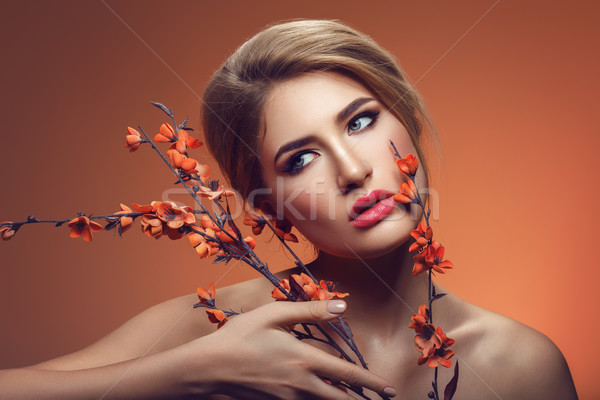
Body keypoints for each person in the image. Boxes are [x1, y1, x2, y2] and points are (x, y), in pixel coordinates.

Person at [0, 19, 577, 400]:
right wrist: (190, 371)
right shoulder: (213, 332)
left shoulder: (521, 366)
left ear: (409, 120)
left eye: (360, 121)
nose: (352, 170)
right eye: (300, 159)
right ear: (268, 204)